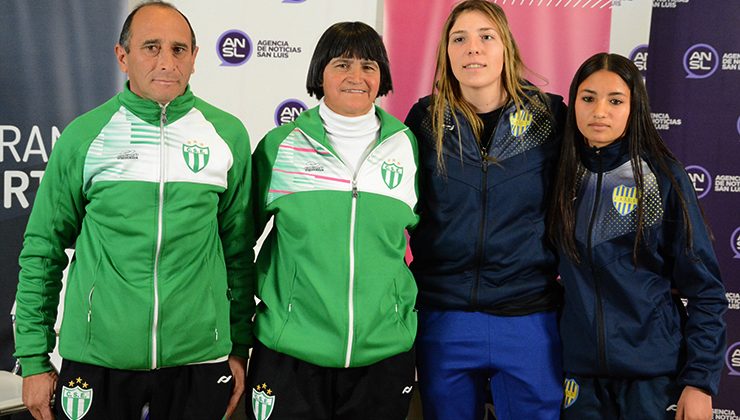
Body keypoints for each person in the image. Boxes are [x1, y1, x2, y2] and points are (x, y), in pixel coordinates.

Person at [14, 2, 254, 419]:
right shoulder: (85, 137)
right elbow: (43, 250)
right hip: (97, 359)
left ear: (195, 58)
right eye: (151, 47)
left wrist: (238, 347)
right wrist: (34, 360)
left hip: (198, 360)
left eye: (179, 50)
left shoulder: (226, 136)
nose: (166, 62)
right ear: (123, 57)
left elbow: (238, 253)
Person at [246, 21, 418, 420]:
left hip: (383, 356)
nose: (356, 77)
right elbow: (237, 242)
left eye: (369, 66)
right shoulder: (281, 147)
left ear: (382, 77)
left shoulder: (406, 145)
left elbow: (423, 240)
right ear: (319, 72)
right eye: (342, 64)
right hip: (289, 354)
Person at [403, 1, 567, 418]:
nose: (472, 48)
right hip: (445, 313)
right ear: (446, 54)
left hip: (527, 313)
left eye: (485, 37)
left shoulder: (549, 116)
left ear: (506, 47)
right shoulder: (424, 119)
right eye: (460, 38)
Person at [548, 52, 727, 419]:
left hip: (652, 378)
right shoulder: (558, 174)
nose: (600, 110)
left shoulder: (662, 177)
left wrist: (699, 382)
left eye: (615, 100)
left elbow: (706, 291)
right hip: (579, 379)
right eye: (588, 98)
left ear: (635, 108)